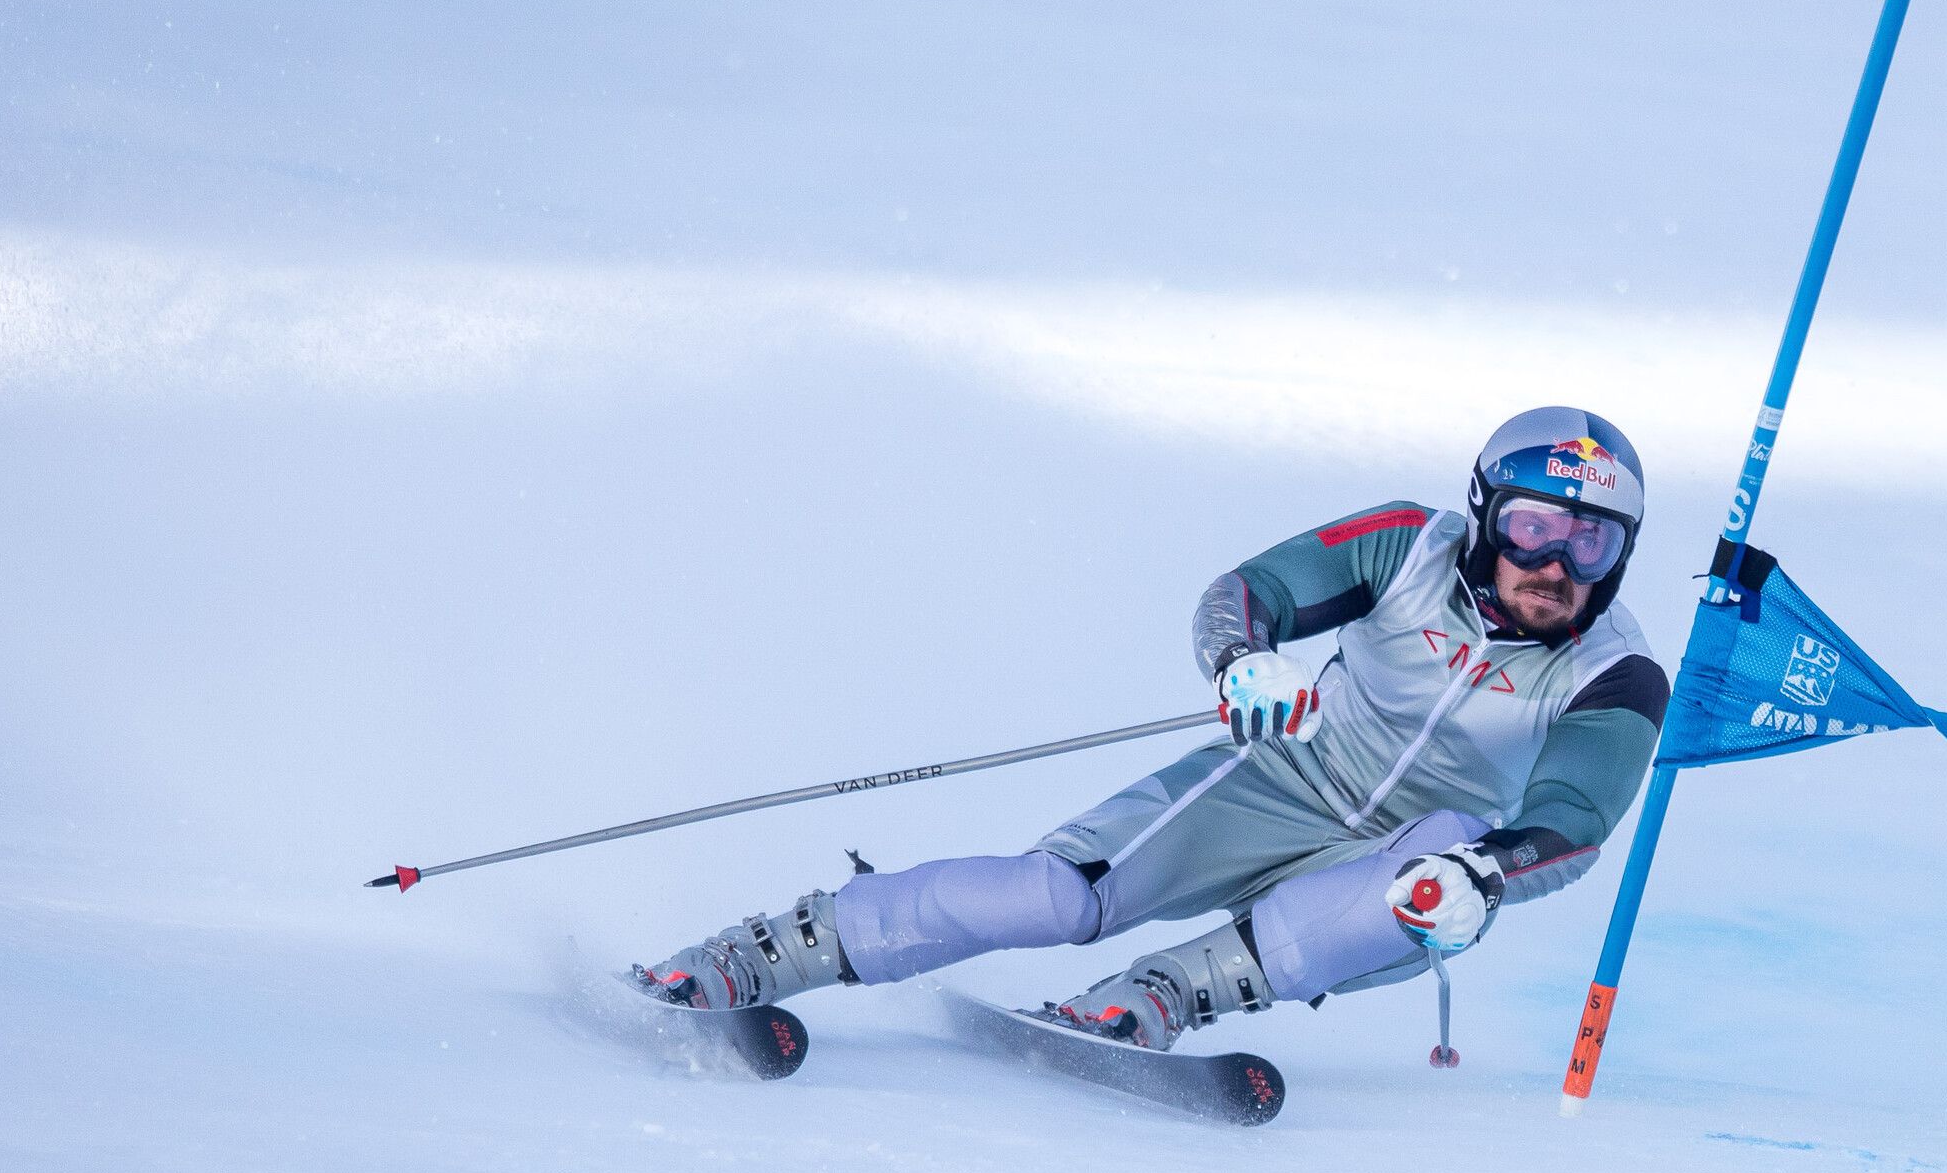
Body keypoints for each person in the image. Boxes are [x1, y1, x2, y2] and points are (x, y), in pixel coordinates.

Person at [637, 408, 1668, 1049]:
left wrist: (1492, 872)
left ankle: (1161, 997)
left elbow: (1575, 815)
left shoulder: (1614, 668)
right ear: (1488, 515)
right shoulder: (1409, 546)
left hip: (1414, 850)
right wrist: (1244, 660)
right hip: (1288, 775)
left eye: (1591, 538)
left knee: (1440, 879)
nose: (1556, 563)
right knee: (1058, 893)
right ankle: (771, 950)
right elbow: (1253, 589)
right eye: (1535, 524)